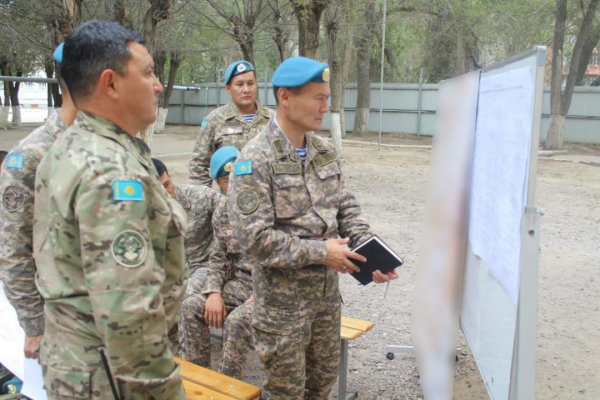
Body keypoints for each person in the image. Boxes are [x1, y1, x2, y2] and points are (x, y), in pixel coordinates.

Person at [228, 56, 398, 400]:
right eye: (318, 98)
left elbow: (345, 207)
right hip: (282, 310)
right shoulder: (254, 160)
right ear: (285, 97)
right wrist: (323, 253)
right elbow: (254, 240)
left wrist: (370, 252)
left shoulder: (322, 151)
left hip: (324, 302)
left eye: (327, 98)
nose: (325, 107)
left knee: (320, 388)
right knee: (285, 393)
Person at [33, 21, 187, 399]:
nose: (158, 84)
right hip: (113, 375)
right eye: (149, 72)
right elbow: (127, 311)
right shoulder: (109, 170)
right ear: (111, 83)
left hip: (85, 364)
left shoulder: (77, 144)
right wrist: (162, 389)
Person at [0, 43, 77, 361]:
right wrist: (34, 325)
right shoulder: (31, 155)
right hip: (59, 320)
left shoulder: (118, 148)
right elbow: (13, 249)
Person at [178, 146, 254, 378]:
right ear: (218, 183)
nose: (232, 185)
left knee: (237, 321)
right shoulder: (223, 209)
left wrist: (262, 292)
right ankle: (199, 382)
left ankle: (228, 388)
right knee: (190, 307)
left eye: (238, 177)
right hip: (241, 283)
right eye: (225, 180)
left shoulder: (274, 204)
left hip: (274, 287)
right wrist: (213, 292)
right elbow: (217, 256)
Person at [188, 60, 275, 186]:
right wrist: (209, 200)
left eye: (250, 83)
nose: (246, 89)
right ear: (228, 88)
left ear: (256, 85)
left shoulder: (273, 119)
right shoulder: (215, 120)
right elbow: (198, 166)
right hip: (230, 201)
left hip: (268, 200)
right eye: (239, 84)